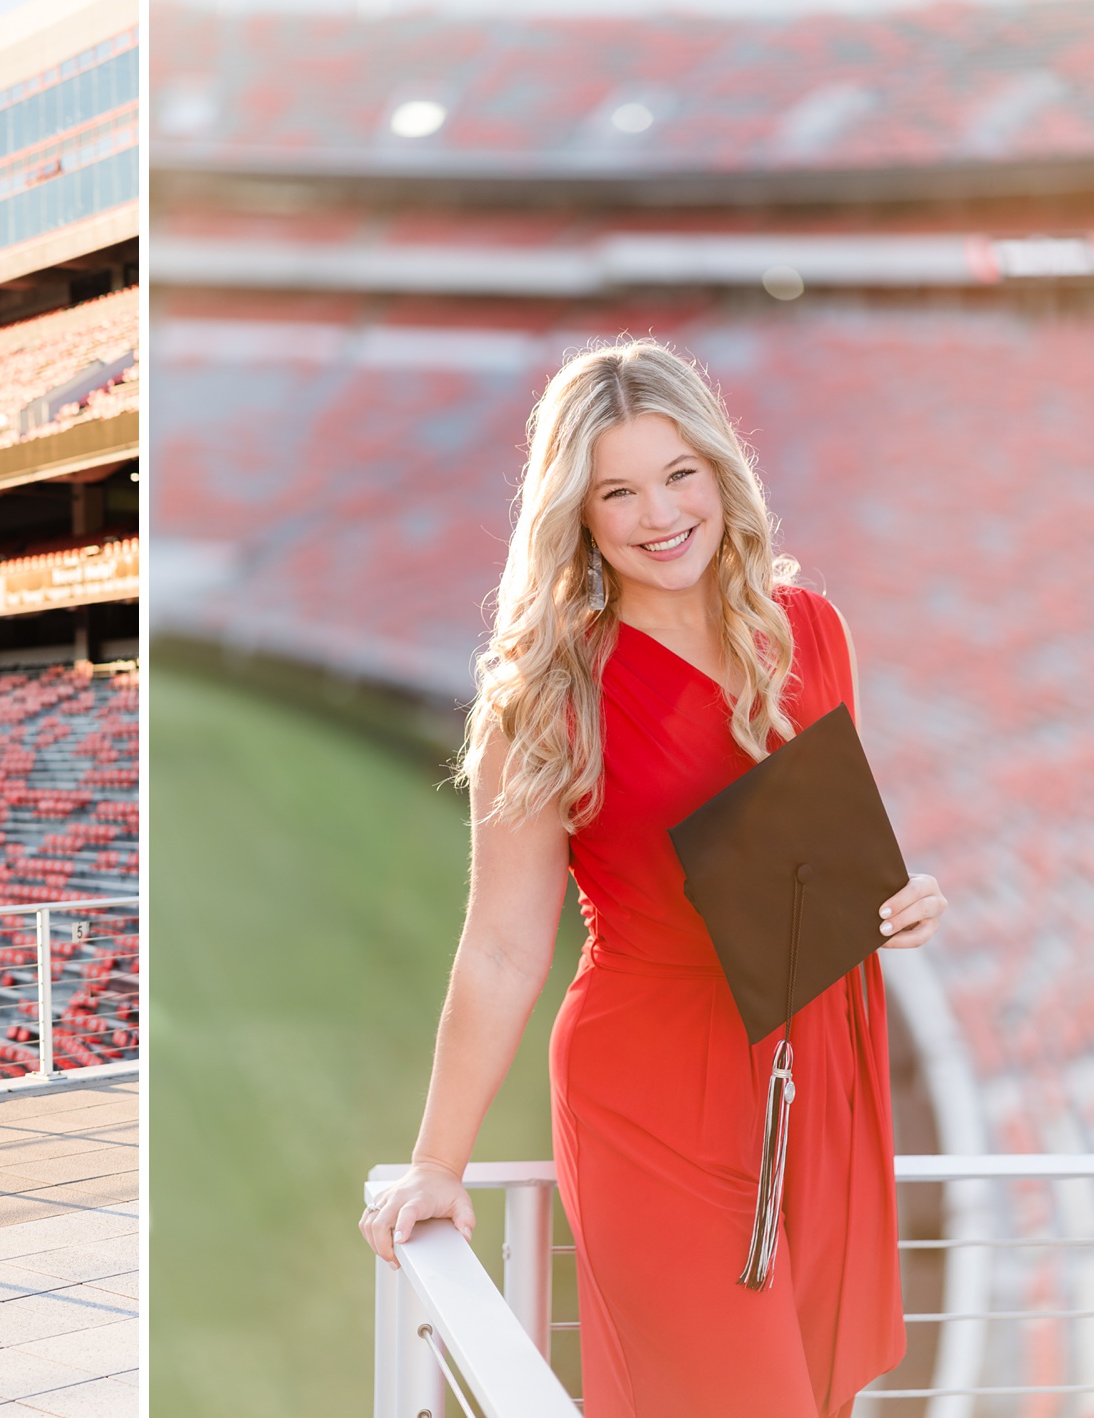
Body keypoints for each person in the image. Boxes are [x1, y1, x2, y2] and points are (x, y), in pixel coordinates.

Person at [357, 341, 948, 1417]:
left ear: (721, 469)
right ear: (574, 515)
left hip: (819, 1071)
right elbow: (500, 943)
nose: (657, 513)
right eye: (614, 490)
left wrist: (900, 904)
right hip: (656, 1095)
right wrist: (436, 1159)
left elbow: (816, 851)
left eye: (678, 473)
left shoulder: (811, 631)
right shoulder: (545, 696)